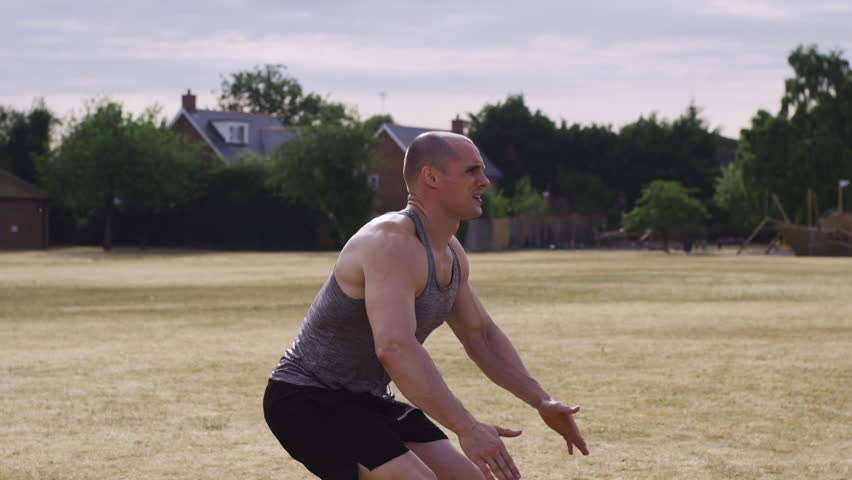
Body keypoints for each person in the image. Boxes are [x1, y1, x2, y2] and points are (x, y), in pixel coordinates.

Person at [264, 131, 588, 480]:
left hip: (368, 400)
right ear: (430, 177)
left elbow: (480, 335)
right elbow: (395, 347)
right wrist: (468, 427)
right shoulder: (390, 243)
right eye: (471, 171)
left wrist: (541, 400)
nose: (485, 181)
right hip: (308, 399)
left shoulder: (449, 251)